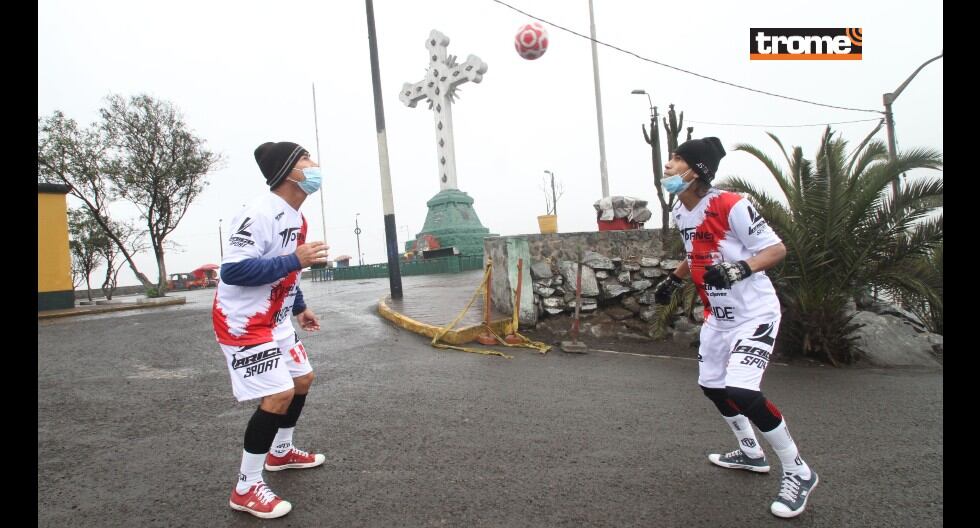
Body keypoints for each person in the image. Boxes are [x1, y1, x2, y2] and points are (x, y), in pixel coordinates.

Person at [651, 137, 818, 519]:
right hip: (719, 317)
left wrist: (740, 268)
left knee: (741, 389)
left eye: (676, 160)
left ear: (696, 171)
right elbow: (694, 253)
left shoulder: (731, 205)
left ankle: (798, 470)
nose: (667, 166)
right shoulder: (681, 210)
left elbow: (775, 249)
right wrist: (674, 280)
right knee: (712, 386)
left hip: (754, 313)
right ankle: (750, 452)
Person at [213, 141, 330, 519]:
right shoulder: (258, 214)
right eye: (306, 160)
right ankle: (245, 487)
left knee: (302, 380)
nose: (314, 166)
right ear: (288, 172)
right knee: (278, 394)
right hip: (244, 322)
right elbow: (233, 271)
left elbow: (288, 273)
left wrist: (300, 307)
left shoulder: (298, 218)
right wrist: (293, 257)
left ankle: (280, 452)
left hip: (277, 320)